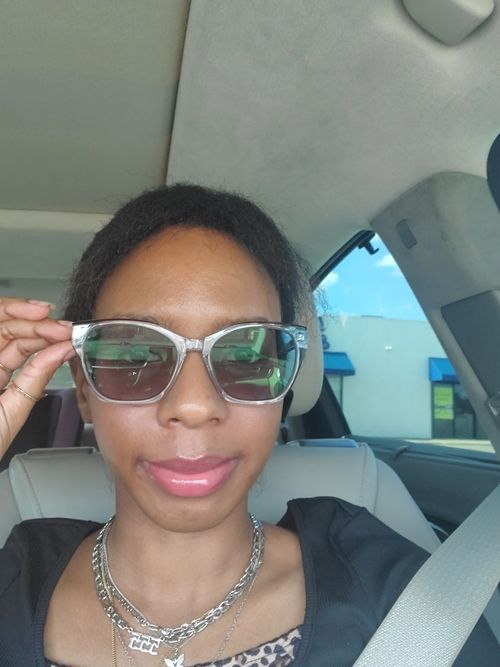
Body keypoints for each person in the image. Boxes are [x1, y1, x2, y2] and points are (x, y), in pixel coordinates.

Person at [0, 185, 496, 667]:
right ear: (84, 390)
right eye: (137, 357)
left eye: (244, 357)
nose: (194, 406)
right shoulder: (15, 581)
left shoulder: (401, 599)